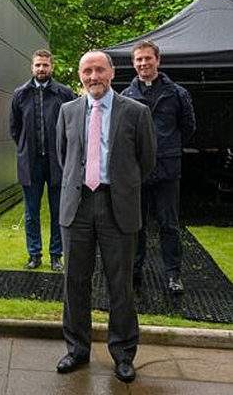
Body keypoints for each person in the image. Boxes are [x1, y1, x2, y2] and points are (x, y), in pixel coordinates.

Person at [55, 50, 156, 383]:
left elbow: (147, 160)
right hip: (78, 204)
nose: (93, 76)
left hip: (118, 206)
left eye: (99, 70)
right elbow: (63, 156)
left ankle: (124, 353)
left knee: (120, 284)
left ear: (112, 73)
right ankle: (77, 349)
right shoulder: (68, 110)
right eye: (87, 71)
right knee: (74, 281)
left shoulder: (136, 112)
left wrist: (122, 185)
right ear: (80, 75)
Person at [121, 41, 196, 294]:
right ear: (133, 63)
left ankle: (173, 275)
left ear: (158, 60)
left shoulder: (177, 94)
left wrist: (166, 148)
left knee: (169, 225)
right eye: (138, 60)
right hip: (137, 171)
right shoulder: (126, 96)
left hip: (167, 171)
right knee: (136, 224)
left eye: (147, 59)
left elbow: (188, 128)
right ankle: (134, 271)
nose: (143, 64)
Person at [10, 49, 76, 271]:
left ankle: (56, 255)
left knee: (59, 210)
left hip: (58, 162)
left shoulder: (64, 93)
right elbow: (14, 128)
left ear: (52, 67)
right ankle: (34, 254)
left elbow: (73, 126)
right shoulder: (21, 94)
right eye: (37, 65)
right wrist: (24, 148)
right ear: (32, 67)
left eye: (45, 65)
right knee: (31, 212)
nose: (41, 69)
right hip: (30, 162)